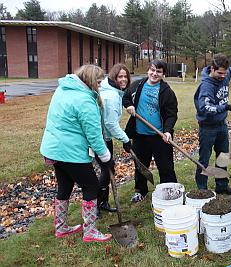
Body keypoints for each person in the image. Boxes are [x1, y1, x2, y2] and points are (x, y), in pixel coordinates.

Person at [40, 65, 113, 243]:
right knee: (92, 186)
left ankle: (61, 227)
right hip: (70, 152)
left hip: (53, 149)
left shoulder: (63, 89)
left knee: (65, 185)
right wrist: (106, 158)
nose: (100, 85)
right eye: (98, 82)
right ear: (89, 80)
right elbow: (94, 135)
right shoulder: (85, 101)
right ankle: (90, 231)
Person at [123, 59, 178, 203]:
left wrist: (168, 131)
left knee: (166, 168)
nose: (154, 73)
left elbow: (171, 114)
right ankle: (140, 191)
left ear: (163, 74)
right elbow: (126, 97)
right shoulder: (137, 85)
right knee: (140, 166)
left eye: (158, 71)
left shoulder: (167, 92)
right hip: (140, 136)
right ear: (148, 70)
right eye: (152, 70)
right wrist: (129, 106)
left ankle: (170, 192)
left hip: (160, 136)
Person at [193, 53, 231, 195]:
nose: (223, 76)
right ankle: (202, 190)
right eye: (220, 73)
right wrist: (226, 107)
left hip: (221, 125)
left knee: (223, 156)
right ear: (212, 69)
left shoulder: (225, 73)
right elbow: (205, 108)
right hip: (207, 127)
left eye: (224, 73)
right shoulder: (206, 86)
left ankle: (222, 186)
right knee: (204, 159)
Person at [95, 63, 132, 216]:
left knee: (108, 169)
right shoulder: (110, 96)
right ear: (113, 77)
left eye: (125, 76)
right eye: (120, 77)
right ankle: (97, 205)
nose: (123, 79)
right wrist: (126, 140)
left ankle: (102, 202)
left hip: (104, 137)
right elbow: (111, 124)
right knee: (106, 170)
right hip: (100, 138)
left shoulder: (113, 91)